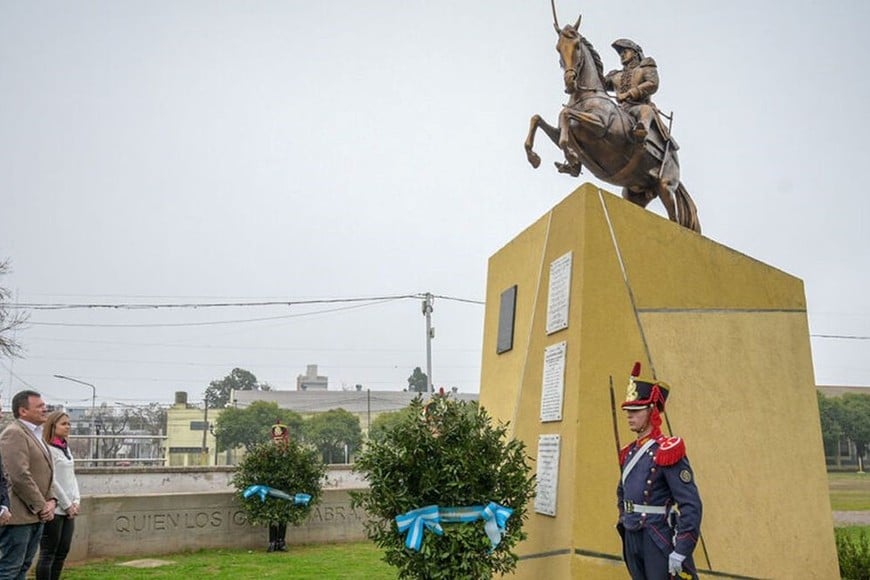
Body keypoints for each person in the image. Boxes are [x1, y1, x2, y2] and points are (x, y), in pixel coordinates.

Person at [616, 365, 702, 580]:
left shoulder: (667, 451)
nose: (629, 415)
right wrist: (623, 518)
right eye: (628, 411)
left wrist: (682, 548)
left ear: (652, 411)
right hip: (632, 533)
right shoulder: (629, 452)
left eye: (636, 411)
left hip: (656, 535)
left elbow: (691, 504)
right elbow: (621, 492)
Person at [0, 390, 56, 580]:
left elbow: (46, 472)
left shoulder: (36, 434)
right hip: (19, 516)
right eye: (39, 406)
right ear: (23, 411)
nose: (45, 409)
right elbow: (18, 475)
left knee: (23, 567)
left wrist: (52, 500)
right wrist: (42, 506)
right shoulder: (14, 433)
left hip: (35, 515)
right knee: (10, 568)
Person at [36, 411, 81, 580]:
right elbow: (51, 480)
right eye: (63, 424)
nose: (68, 427)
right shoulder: (47, 449)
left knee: (62, 552)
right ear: (52, 426)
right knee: (48, 553)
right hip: (55, 509)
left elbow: (71, 477)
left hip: (70, 508)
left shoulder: (65, 448)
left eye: (69, 423)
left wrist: (76, 500)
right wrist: (66, 504)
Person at [604, 39, 660, 142]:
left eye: (625, 52)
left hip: (638, 106)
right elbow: (599, 84)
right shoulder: (615, 75)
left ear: (634, 53)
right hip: (620, 110)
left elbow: (653, 83)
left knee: (645, 110)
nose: (622, 55)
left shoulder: (645, 67)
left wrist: (628, 94)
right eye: (620, 53)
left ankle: (642, 129)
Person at [268, 419, 289, 552]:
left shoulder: (288, 456)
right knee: (271, 516)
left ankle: (281, 541)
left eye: (281, 440)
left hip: (284, 489)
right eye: (276, 440)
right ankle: (272, 541)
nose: (278, 443)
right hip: (271, 489)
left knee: (283, 516)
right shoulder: (267, 455)